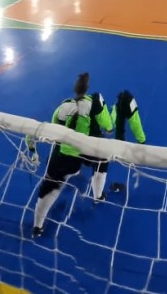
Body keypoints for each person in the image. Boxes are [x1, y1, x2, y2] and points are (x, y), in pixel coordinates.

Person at [28, 73, 114, 237]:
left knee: (50, 186)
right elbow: (109, 127)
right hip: (89, 149)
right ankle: (98, 196)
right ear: (87, 89)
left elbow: (54, 131)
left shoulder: (62, 107)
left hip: (64, 153)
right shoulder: (97, 102)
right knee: (104, 159)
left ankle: (37, 226)